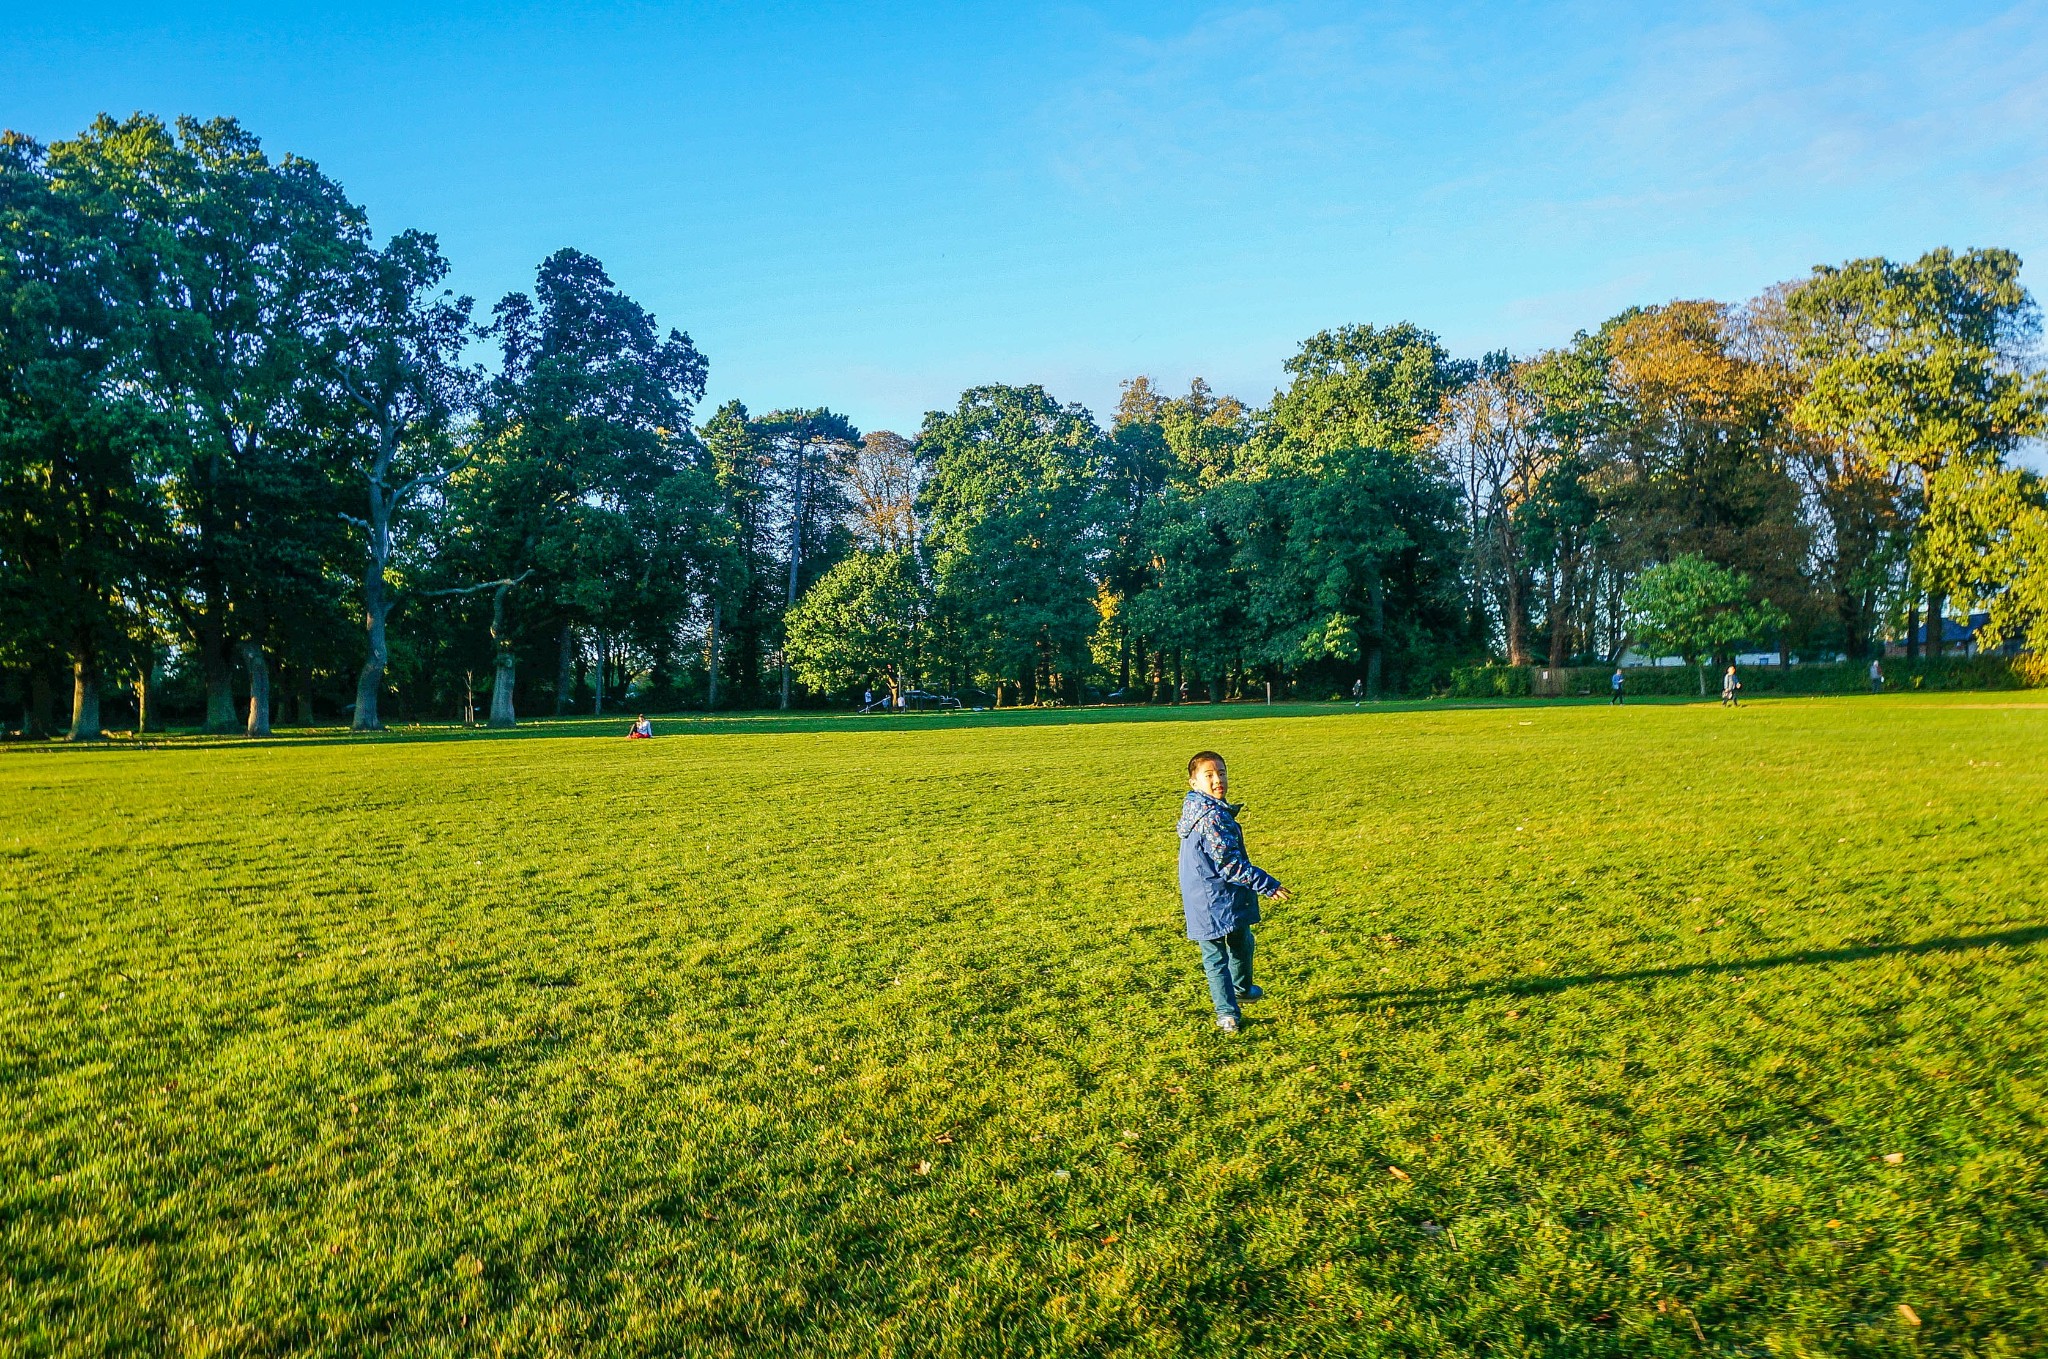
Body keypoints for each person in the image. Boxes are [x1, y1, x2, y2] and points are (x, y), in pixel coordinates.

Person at [1178, 751, 1291, 1034]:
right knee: (1215, 955)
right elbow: (1230, 865)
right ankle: (1227, 1013)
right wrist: (1268, 885)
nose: (1218, 781)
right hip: (1209, 898)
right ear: (1193, 783)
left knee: (1241, 940)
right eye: (1209, 775)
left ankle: (1241, 989)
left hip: (1218, 894)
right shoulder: (1211, 817)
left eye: (1222, 773)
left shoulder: (1203, 808)